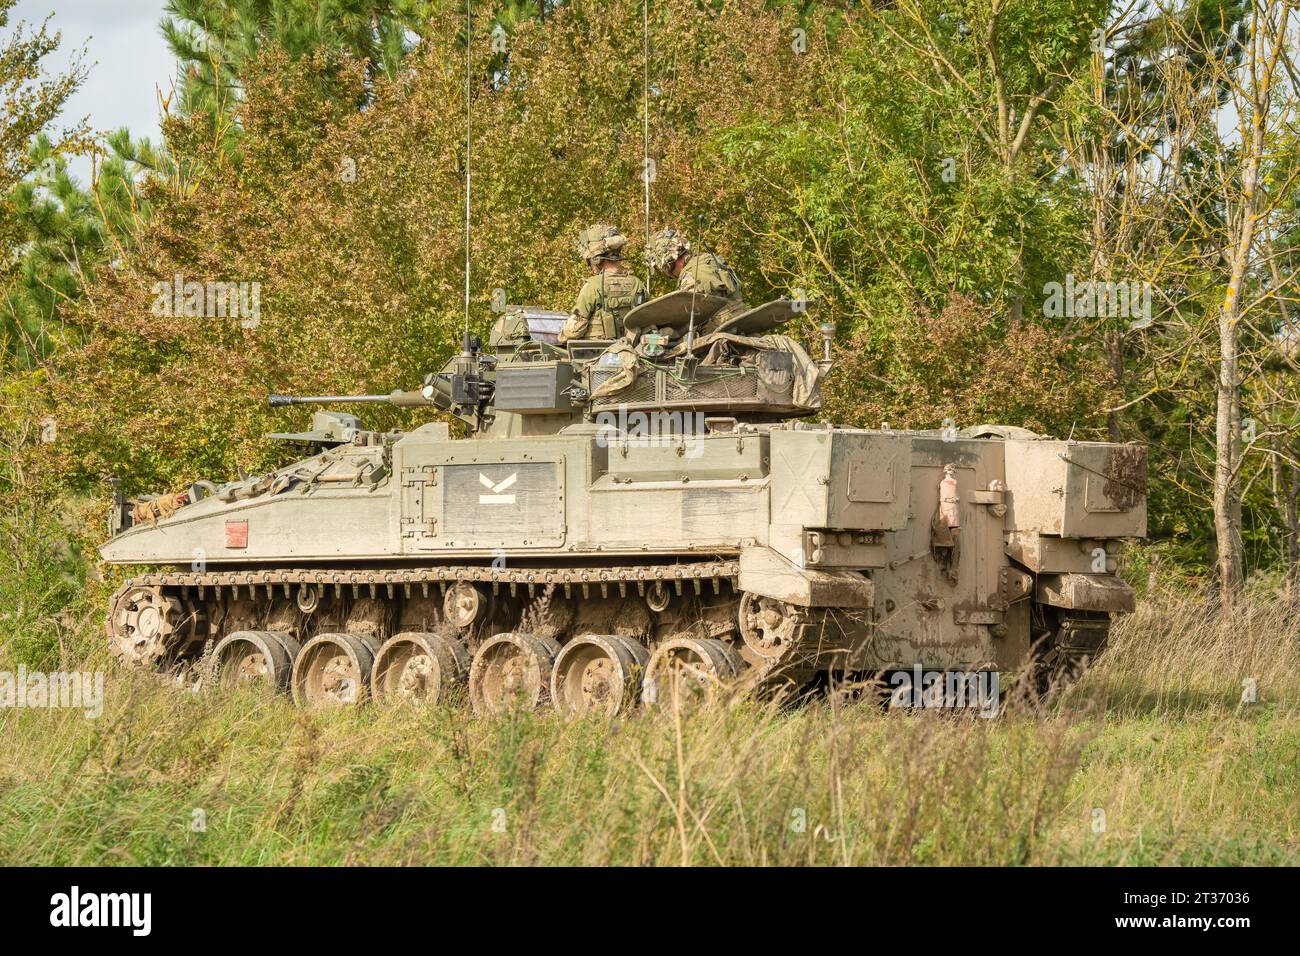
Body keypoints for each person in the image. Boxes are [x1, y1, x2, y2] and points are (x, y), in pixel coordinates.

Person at [645, 227, 746, 333]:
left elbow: (688, 319)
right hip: (742, 321)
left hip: (719, 330)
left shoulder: (690, 275)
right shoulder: (710, 259)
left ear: (666, 262)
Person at [559, 224, 647, 343]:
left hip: (597, 355)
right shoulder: (637, 284)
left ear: (596, 259)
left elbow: (574, 330)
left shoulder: (592, 286)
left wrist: (562, 336)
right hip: (629, 352)